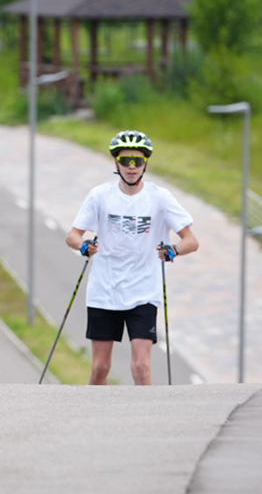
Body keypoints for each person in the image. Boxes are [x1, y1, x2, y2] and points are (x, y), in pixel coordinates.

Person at [64, 130, 198, 386]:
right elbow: (72, 235)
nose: (132, 167)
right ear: (116, 163)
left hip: (144, 290)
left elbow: (192, 241)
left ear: (146, 162)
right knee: (101, 368)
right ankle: (93, 417)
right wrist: (83, 246)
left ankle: (146, 422)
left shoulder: (160, 198)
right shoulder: (100, 196)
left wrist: (173, 251)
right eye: (126, 160)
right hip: (105, 290)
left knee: (141, 367)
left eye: (137, 160)